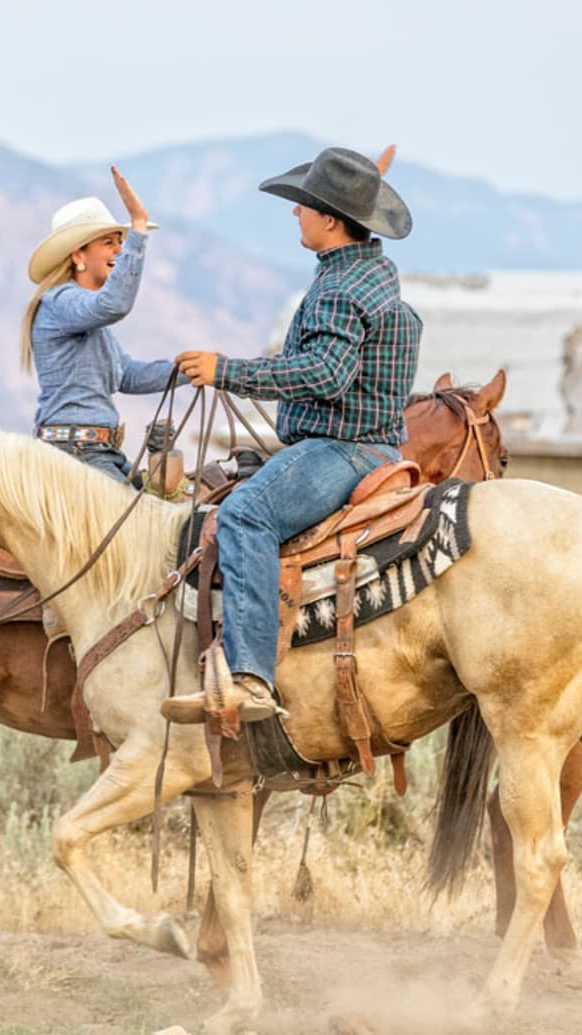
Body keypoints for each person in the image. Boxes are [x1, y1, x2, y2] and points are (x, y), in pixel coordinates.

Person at [163, 147, 421, 722]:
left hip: (342, 451)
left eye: (303, 205)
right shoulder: (371, 275)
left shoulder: (338, 289)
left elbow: (326, 373)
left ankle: (250, 677)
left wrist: (226, 371)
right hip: (373, 444)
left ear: (330, 220)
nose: (295, 214)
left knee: (245, 515)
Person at [22, 167, 179, 482]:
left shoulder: (86, 318)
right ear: (79, 254)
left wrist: (194, 369)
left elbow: (128, 375)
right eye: (109, 242)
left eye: (120, 242)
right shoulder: (60, 302)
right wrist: (137, 226)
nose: (119, 250)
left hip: (94, 451)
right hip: (75, 452)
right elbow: (114, 304)